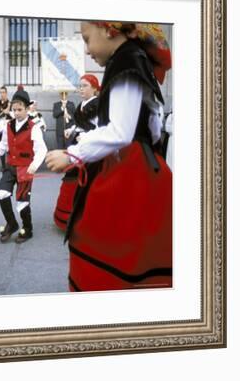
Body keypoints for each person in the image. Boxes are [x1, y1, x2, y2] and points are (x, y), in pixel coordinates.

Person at [45, 21, 172, 292]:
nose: (87, 50)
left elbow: (120, 132)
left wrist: (72, 154)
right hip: (138, 163)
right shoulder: (132, 60)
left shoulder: (126, 62)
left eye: (88, 38)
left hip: (130, 169)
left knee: (107, 242)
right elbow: (153, 126)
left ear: (109, 29)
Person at [0, 88, 48, 243]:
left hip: (25, 169)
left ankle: (27, 229)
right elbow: (4, 144)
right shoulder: (8, 125)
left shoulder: (33, 127)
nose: (16, 113)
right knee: (2, 193)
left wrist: (34, 165)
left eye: (20, 109)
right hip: (10, 166)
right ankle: (12, 223)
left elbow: (42, 149)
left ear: (27, 109)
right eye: (14, 109)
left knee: (22, 202)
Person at [53, 74, 100, 231]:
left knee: (86, 182)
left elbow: (101, 129)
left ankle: (84, 219)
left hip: (88, 150)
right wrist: (71, 129)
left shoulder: (98, 105)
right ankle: (67, 216)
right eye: (80, 86)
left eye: (85, 86)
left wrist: (84, 136)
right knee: (72, 179)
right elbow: (80, 124)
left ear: (94, 88)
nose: (81, 89)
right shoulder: (82, 104)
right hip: (77, 146)